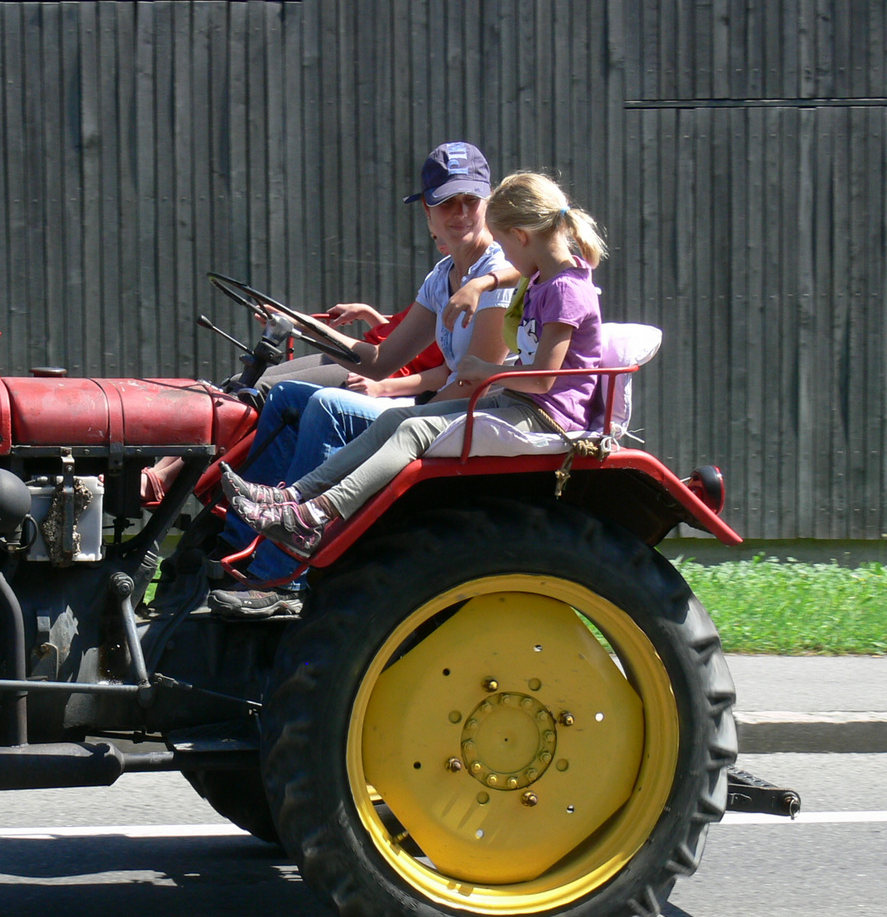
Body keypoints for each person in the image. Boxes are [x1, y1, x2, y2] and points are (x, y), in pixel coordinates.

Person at [225, 170, 606, 557]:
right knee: (396, 420)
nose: (504, 256)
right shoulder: (543, 275)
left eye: (505, 246)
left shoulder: (564, 289)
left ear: (522, 237)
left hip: (546, 417)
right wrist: (483, 284)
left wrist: (485, 371)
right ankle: (291, 496)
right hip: (521, 404)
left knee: (413, 432)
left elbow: (545, 381)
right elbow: (507, 274)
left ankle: (314, 517)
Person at [208, 142, 518, 615]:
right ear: (428, 214)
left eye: (470, 201)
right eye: (446, 203)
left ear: (488, 202)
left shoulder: (496, 275)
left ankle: (282, 578)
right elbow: (379, 360)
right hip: (447, 406)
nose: (460, 214)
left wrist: (403, 412)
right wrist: (302, 324)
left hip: (475, 415)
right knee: (287, 392)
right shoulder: (443, 277)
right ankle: (235, 542)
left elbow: (472, 383)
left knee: (328, 406)